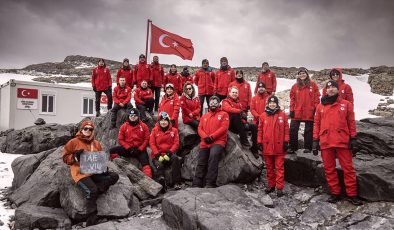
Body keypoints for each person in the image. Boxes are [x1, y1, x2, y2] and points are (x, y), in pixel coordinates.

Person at [312, 80, 362, 206]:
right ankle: (335, 193)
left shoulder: (346, 104)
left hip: (342, 141)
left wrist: (353, 138)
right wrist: (315, 141)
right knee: (329, 169)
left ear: (338, 90)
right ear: (326, 90)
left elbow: (351, 122)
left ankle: (352, 194)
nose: (331, 89)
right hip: (326, 141)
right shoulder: (320, 106)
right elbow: (316, 124)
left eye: (334, 87)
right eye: (329, 88)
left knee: (348, 169)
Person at [63, 120, 119, 226]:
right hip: (81, 173)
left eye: (90, 129)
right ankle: (91, 219)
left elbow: (99, 158)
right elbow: (65, 158)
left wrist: (103, 167)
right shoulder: (73, 142)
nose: (88, 131)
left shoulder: (96, 143)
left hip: (94, 172)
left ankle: (97, 189)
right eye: (86, 128)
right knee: (92, 190)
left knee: (114, 176)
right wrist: (75, 157)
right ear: (81, 129)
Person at [192, 96, 229, 188]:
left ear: (219, 104)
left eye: (215, 102)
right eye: (211, 102)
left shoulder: (224, 114)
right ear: (209, 104)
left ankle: (210, 183)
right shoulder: (204, 116)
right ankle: (197, 183)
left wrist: (212, 137)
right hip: (205, 142)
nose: (213, 104)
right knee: (201, 161)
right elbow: (199, 128)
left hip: (218, 142)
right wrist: (205, 137)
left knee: (213, 158)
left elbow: (224, 128)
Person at [257, 96, 289, 197]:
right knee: (269, 168)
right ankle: (271, 186)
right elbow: (260, 130)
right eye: (270, 103)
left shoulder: (283, 115)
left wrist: (286, 141)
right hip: (267, 146)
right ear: (267, 104)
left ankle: (279, 188)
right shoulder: (263, 116)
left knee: (279, 168)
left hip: (279, 147)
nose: (272, 104)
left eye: (274, 103)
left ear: (277, 104)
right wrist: (259, 142)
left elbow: (286, 130)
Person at [109, 109, 152, 178]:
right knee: (112, 151)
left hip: (140, 150)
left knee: (146, 164)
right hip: (128, 149)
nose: (133, 117)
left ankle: (149, 180)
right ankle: (117, 167)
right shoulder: (124, 126)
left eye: (135, 116)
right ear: (128, 116)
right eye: (131, 115)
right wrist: (128, 148)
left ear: (138, 116)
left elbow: (147, 139)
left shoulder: (144, 126)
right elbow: (120, 139)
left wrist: (140, 149)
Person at [289, 67, 320, 153]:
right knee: (293, 129)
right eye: (300, 73)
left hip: (309, 111)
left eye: (304, 73)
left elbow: (317, 98)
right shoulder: (295, 86)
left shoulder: (313, 85)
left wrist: (315, 108)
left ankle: (308, 147)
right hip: (297, 110)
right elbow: (292, 99)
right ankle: (293, 147)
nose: (302, 75)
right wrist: (291, 110)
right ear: (298, 75)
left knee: (308, 130)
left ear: (307, 74)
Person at [222, 86, 259, 156]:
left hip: (238, 125)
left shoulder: (239, 103)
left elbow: (242, 116)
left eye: (236, 92)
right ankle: (244, 140)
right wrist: (240, 111)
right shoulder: (225, 101)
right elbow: (228, 109)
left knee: (254, 126)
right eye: (233, 92)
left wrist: (245, 121)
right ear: (229, 93)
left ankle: (255, 149)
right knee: (235, 115)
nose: (234, 94)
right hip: (229, 125)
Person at [149, 112, 181, 189]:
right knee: (159, 165)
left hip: (169, 153)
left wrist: (169, 153)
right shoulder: (154, 130)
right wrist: (157, 154)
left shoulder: (174, 130)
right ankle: (162, 183)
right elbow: (152, 143)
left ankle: (176, 182)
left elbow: (176, 143)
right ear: (159, 121)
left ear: (168, 121)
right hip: (158, 154)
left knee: (175, 159)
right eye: (162, 120)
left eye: (165, 120)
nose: (163, 122)